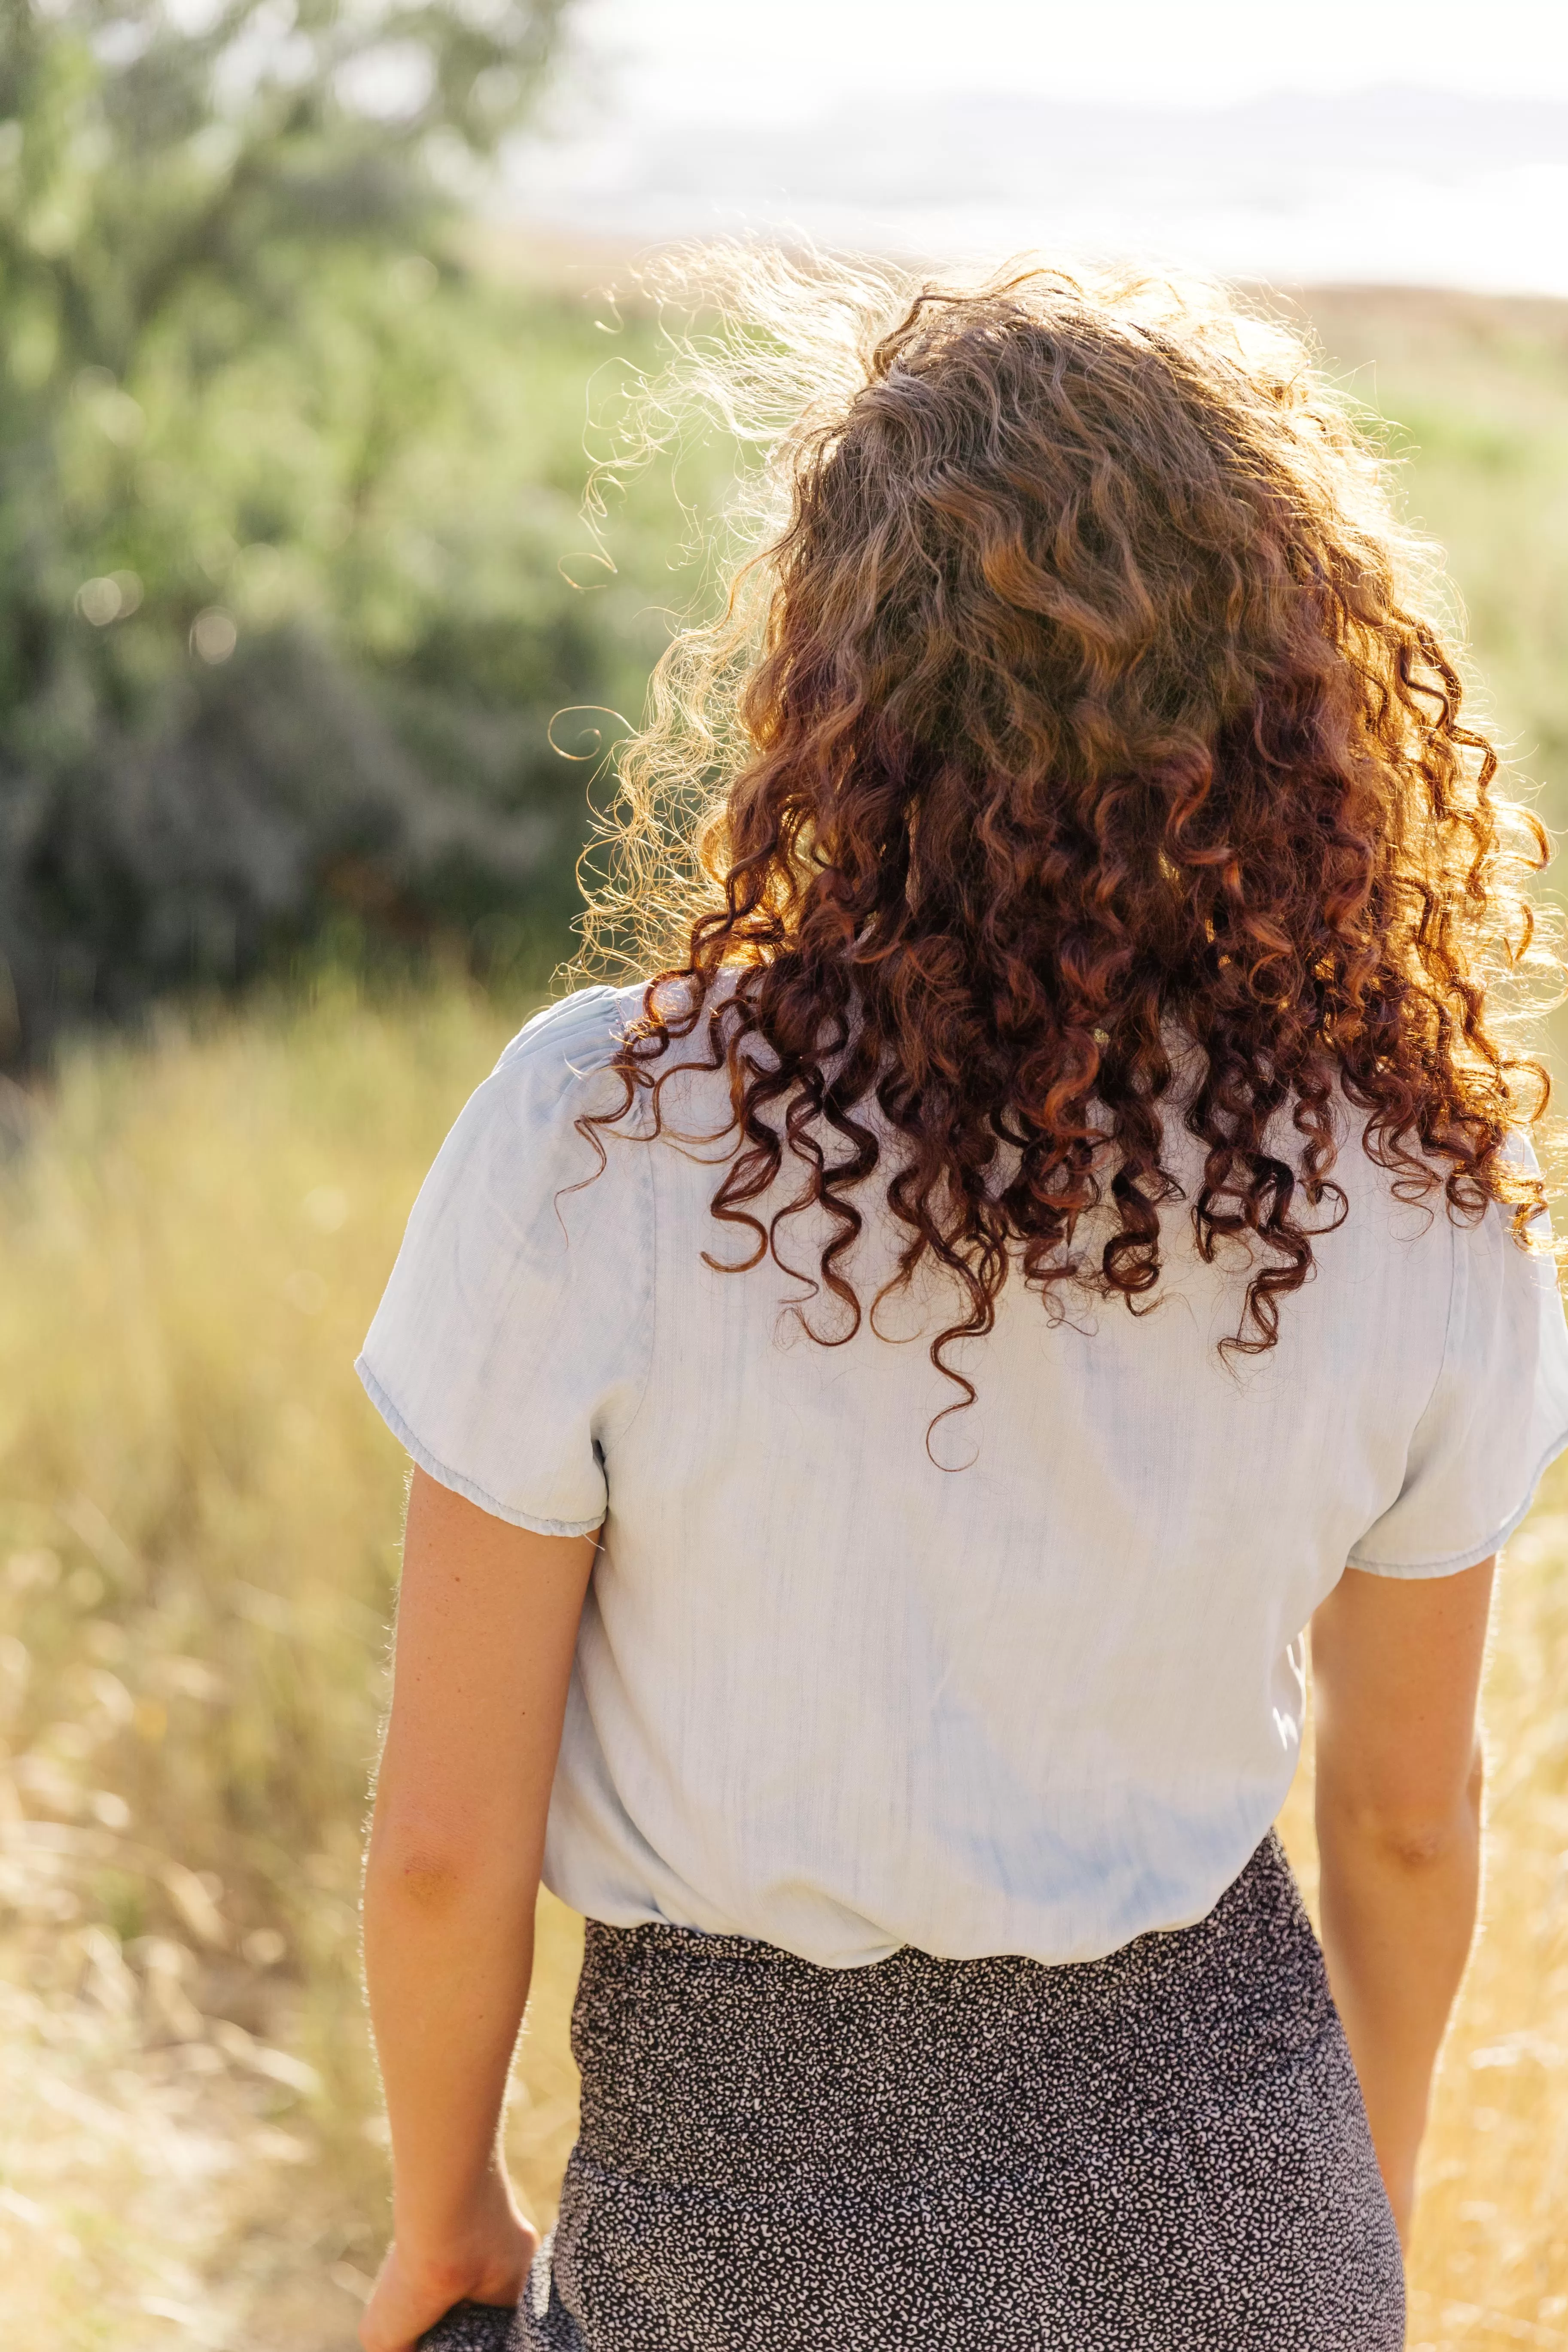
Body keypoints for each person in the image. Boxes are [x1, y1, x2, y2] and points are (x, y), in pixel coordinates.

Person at [351, 257, 1568, 2352]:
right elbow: (1404, 1810)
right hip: (1243, 2177)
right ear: (1291, 694)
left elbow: (451, 1847)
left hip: (746, 2237)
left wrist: (446, 2206)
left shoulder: (598, 1135)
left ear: (826, 685)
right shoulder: (1415, 1196)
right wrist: (1350, 2206)